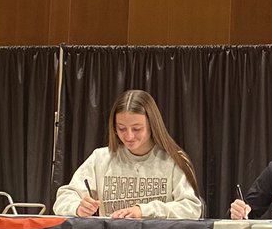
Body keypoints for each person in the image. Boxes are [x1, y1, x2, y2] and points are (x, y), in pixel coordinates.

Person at [52, 89, 203, 219]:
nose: (129, 136)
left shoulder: (173, 161)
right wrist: (78, 207)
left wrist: (143, 210)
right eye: (121, 128)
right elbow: (63, 199)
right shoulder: (100, 158)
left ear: (153, 125)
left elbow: (192, 208)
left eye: (137, 129)